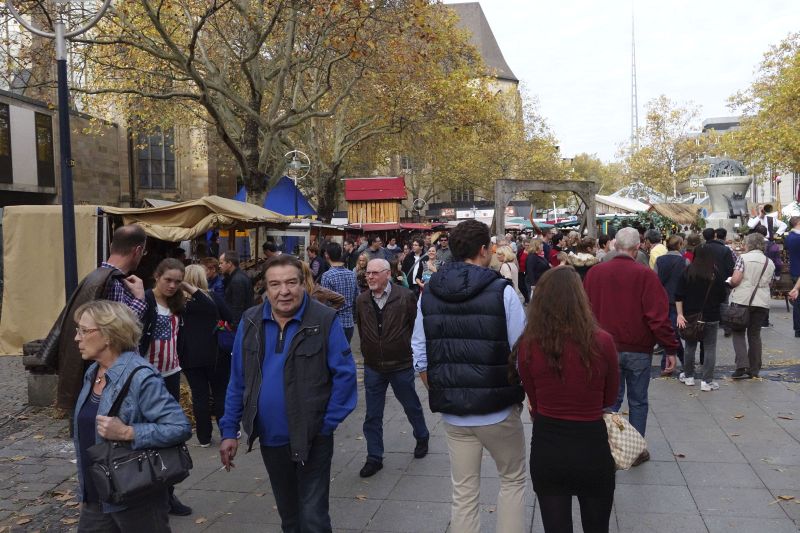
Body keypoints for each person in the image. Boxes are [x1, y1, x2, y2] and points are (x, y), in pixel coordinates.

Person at [219, 255, 357, 532]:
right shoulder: (251, 321)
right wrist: (229, 430)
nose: (284, 291)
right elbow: (238, 380)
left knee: (314, 518)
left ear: (303, 284)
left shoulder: (323, 319)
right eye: (275, 284)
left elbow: (345, 376)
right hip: (271, 439)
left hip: (312, 437)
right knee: (290, 517)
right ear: (266, 288)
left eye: (291, 282)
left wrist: (326, 425)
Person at [413, 219, 527, 533]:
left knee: (463, 492)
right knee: (512, 480)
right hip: (498, 408)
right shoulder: (502, 291)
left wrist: (436, 387)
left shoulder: (429, 292)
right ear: (483, 250)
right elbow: (521, 350)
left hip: (454, 412)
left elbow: (419, 352)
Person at [515, 267, 619, 533]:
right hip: (592, 446)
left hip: (548, 445)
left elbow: (534, 398)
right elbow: (609, 397)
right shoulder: (603, 341)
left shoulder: (528, 345)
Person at [73, 300, 191, 532]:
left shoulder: (141, 377)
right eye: (78, 330)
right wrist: (85, 493)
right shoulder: (93, 372)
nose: (77, 338)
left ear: (109, 335)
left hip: (136, 496)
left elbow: (179, 427)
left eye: (84, 331)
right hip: (98, 496)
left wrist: (128, 432)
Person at [583, 227, 678, 465]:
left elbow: (584, 310)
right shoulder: (645, 275)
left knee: (609, 401)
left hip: (604, 347)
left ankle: (608, 444)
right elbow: (658, 317)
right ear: (637, 248)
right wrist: (670, 347)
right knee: (638, 401)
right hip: (638, 348)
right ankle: (635, 449)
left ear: (615, 246)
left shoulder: (595, 273)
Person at [355, 259, 429, 478]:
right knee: (372, 414)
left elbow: (415, 327)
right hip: (373, 366)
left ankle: (422, 435)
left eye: (375, 273)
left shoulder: (405, 296)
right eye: (368, 273)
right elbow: (362, 328)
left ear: (387, 274)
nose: (370, 277)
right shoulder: (362, 300)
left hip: (400, 364)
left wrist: (411, 352)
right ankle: (374, 457)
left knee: (411, 405)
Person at [138, 258, 193, 516]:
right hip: (147, 377)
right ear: (156, 276)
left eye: (177, 281)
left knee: (169, 437)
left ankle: (167, 494)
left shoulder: (177, 303)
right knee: (147, 435)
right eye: (167, 280)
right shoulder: (145, 301)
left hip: (171, 374)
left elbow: (212, 309)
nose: (172, 285)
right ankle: (145, 493)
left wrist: (189, 288)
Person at [178, 265, 233, 447]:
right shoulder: (212, 298)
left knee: (199, 396)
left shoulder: (179, 303)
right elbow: (230, 317)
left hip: (189, 355)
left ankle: (204, 437)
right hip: (216, 353)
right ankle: (227, 432)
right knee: (220, 393)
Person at [675, 244, 728, 391]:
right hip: (711, 316)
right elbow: (722, 296)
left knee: (690, 346)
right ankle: (707, 381)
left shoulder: (687, 272)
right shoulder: (715, 273)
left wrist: (680, 314)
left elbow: (678, 295)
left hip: (690, 316)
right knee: (710, 347)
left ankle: (689, 376)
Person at [728, 232, 775, 379]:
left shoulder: (743, 258)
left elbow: (736, 279)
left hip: (742, 300)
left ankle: (742, 365)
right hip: (761, 302)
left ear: (749, 244)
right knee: (754, 334)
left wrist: (729, 282)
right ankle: (754, 368)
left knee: (738, 331)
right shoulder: (769, 262)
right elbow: (770, 283)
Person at [656, 235, 688, 373]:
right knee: (673, 332)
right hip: (678, 301)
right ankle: (681, 362)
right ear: (679, 245)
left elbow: (655, 280)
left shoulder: (659, 260)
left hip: (662, 300)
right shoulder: (684, 261)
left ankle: (670, 363)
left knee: (671, 331)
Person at [321, 242, 359, 342]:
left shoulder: (327, 276)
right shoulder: (352, 274)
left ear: (327, 255)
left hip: (333, 322)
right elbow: (356, 297)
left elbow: (325, 303)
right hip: (349, 322)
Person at [219, 250, 254, 329]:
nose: (219, 266)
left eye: (221, 263)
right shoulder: (235, 276)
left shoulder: (237, 280)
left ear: (229, 264)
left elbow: (238, 306)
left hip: (240, 324)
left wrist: (233, 326)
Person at [784, 217, 800, 337]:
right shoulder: (797, 238)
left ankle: (798, 329)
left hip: (794, 270)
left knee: (797, 302)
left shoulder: (789, 237)